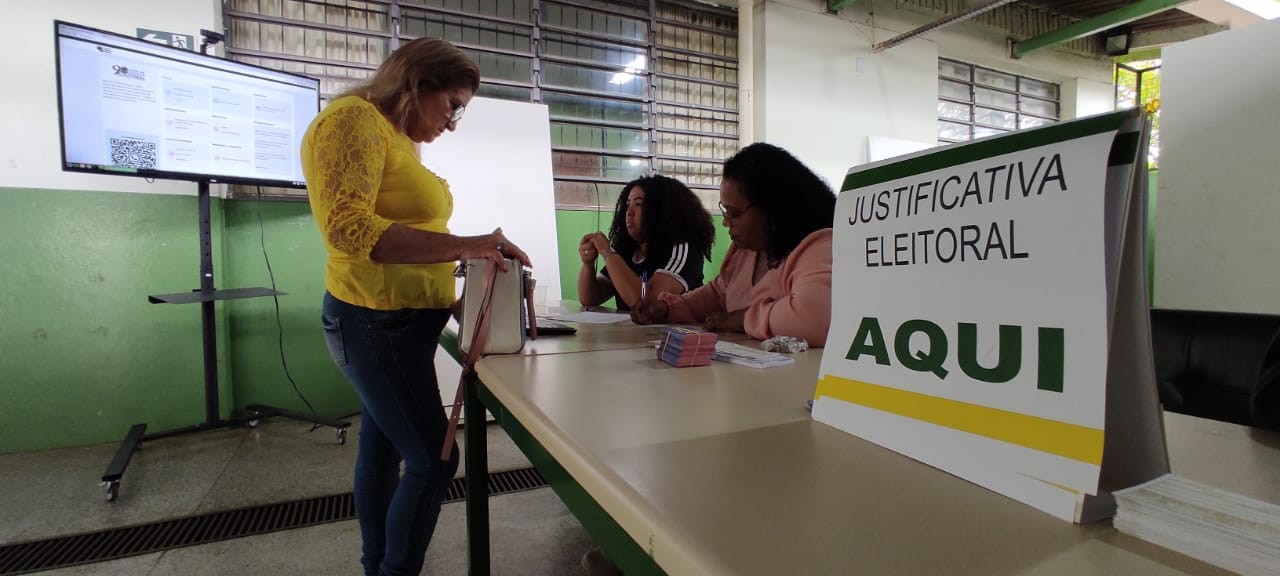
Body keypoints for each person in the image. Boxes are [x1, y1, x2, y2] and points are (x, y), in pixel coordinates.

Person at [302, 38, 529, 576]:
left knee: (383, 451)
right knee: (434, 457)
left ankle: (378, 566)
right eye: (452, 105)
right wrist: (468, 245)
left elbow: (412, 235)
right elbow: (351, 231)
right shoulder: (351, 121)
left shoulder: (397, 138)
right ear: (415, 84)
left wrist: (459, 298)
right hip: (373, 320)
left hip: (400, 325)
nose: (453, 123)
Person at [631, 143, 836, 347]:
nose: (726, 222)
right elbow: (718, 294)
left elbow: (815, 318)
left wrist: (743, 319)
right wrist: (668, 308)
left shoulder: (818, 246)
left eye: (735, 214)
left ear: (772, 210)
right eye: (724, 212)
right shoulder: (745, 251)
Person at [577, 175, 716, 310]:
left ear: (662, 210)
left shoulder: (682, 248)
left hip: (673, 333)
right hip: (634, 333)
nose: (629, 212)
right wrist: (588, 265)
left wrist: (607, 252)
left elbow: (645, 302)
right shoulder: (627, 249)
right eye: (627, 204)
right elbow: (590, 298)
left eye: (638, 204)